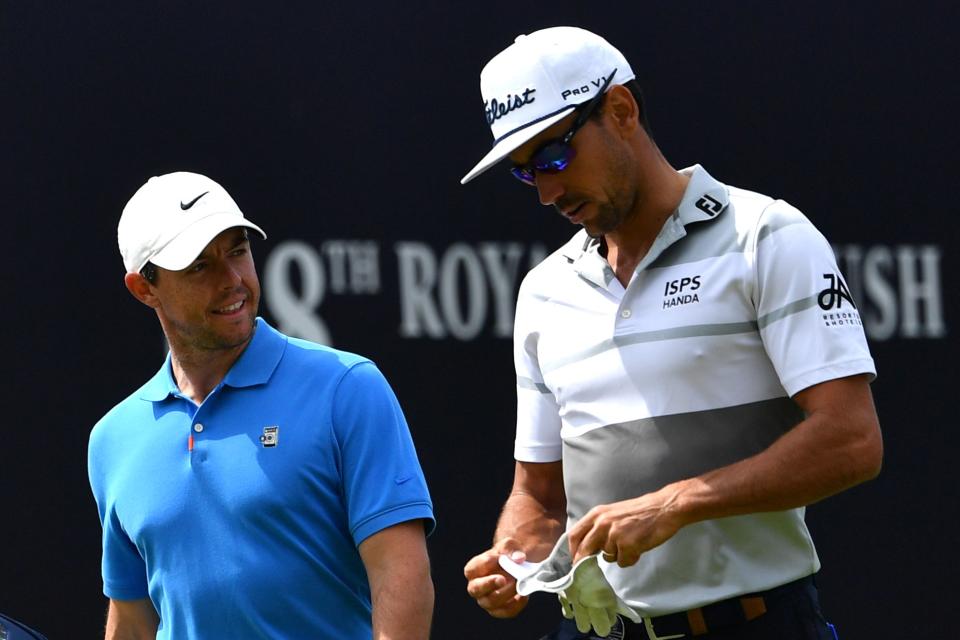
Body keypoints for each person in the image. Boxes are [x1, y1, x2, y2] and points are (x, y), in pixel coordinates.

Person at [461, 27, 882, 639]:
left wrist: (677, 503)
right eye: (526, 173)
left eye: (554, 155)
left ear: (622, 110)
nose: (548, 191)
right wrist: (514, 555)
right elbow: (541, 496)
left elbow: (852, 440)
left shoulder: (766, 234)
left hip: (756, 623)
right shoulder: (542, 290)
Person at [88, 171, 435, 639]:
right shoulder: (113, 439)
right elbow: (132, 621)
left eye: (238, 251)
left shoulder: (348, 388)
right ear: (144, 289)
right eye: (199, 266)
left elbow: (401, 575)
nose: (232, 281)